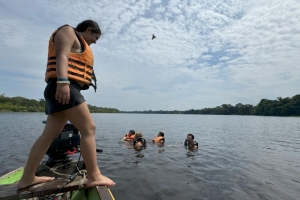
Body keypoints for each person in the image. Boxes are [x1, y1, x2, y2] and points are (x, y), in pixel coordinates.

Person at [17, 20, 115, 189]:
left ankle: (27, 178)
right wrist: (63, 83)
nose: (94, 42)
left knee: (50, 134)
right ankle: (94, 176)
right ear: (89, 30)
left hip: (62, 88)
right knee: (89, 129)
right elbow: (62, 55)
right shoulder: (68, 31)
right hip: (64, 86)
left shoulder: (80, 41)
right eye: (95, 37)